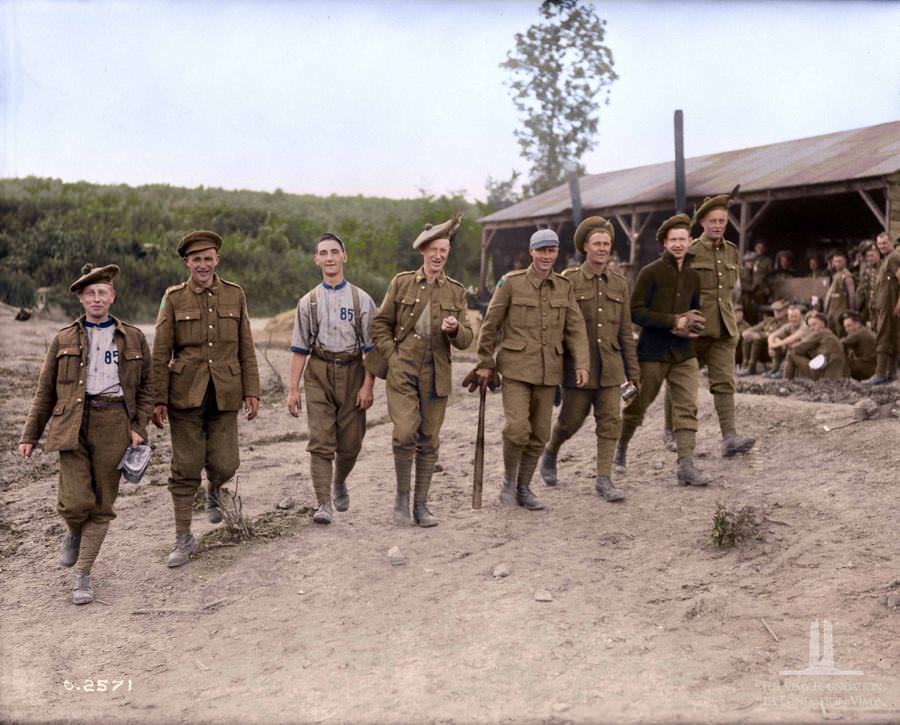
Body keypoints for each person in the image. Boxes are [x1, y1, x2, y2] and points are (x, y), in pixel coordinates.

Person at [19, 264, 152, 604]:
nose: (96, 298)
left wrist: (138, 427)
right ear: (80, 298)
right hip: (72, 422)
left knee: (103, 504)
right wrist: (29, 435)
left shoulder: (134, 337)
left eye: (102, 292)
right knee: (75, 501)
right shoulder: (63, 338)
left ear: (113, 297)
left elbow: (148, 387)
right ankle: (74, 530)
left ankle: (83, 574)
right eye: (90, 293)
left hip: (115, 423)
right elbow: (45, 391)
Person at [151, 230, 260, 567]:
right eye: (196, 259)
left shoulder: (235, 295)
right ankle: (183, 539)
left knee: (226, 463)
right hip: (185, 395)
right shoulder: (173, 298)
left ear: (217, 260)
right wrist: (158, 399)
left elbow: (246, 346)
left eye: (207, 258)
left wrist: (252, 390)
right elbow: (159, 353)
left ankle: (214, 490)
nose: (202, 264)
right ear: (187, 262)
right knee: (185, 468)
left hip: (225, 392)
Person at [476, 228, 589, 511]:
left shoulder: (563, 287)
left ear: (556, 254)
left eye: (551, 251)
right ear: (531, 252)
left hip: (549, 370)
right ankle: (508, 482)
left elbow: (575, 329)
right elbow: (490, 325)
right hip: (515, 369)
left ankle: (524, 487)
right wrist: (485, 362)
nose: (546, 256)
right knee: (516, 430)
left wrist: (582, 363)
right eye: (541, 250)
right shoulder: (510, 283)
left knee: (540, 434)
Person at [371, 213, 473, 527]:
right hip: (403, 371)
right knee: (404, 434)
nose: (438, 255)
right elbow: (379, 324)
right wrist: (394, 355)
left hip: (436, 374)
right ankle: (402, 498)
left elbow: (468, 340)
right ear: (423, 252)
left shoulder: (456, 292)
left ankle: (421, 505)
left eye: (444, 250)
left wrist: (455, 330)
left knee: (429, 439)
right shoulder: (401, 282)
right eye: (433, 250)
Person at [539, 217, 640, 502]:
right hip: (578, 369)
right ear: (586, 247)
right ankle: (551, 451)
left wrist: (633, 372)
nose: (602, 249)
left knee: (610, 421)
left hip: (610, 368)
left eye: (606, 244)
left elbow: (625, 331)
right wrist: (558, 370)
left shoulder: (619, 284)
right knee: (570, 421)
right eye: (597, 244)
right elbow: (558, 327)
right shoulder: (568, 280)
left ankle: (603, 479)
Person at [614, 214, 711, 487]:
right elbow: (635, 311)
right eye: (673, 240)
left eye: (683, 239)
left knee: (687, 406)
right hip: (652, 352)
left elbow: (695, 309)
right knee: (636, 405)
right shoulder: (650, 273)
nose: (679, 244)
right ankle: (620, 448)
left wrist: (693, 325)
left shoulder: (693, 276)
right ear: (664, 243)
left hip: (683, 353)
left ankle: (686, 464)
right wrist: (672, 321)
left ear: (691, 241)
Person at [286, 233, 376, 525]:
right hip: (319, 372)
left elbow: (372, 350)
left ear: (344, 256)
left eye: (334, 252)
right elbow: (300, 349)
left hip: (353, 371)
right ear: (316, 260)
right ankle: (323, 502)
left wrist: (367, 385)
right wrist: (292, 390)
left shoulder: (361, 300)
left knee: (351, 443)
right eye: (323, 253)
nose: (329, 258)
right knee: (321, 440)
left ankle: (340, 481)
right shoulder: (308, 302)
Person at [688, 195, 755, 457]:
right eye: (713, 221)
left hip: (724, 328)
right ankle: (673, 432)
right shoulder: (691, 250)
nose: (718, 225)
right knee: (683, 383)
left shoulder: (731, 251)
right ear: (702, 223)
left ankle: (729, 437)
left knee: (725, 382)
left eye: (722, 221)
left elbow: (728, 291)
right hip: (695, 328)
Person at [864, 231, 900, 384]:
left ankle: (879, 374)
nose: (882, 246)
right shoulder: (887, 259)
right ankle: (891, 374)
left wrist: (899, 303)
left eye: (885, 243)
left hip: (890, 305)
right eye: (879, 244)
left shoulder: (894, 257)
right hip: (885, 305)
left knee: (884, 337)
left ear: (891, 242)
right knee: (892, 338)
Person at [783, 311, 846, 380]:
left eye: (814, 324)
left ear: (823, 324)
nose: (812, 328)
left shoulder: (820, 333)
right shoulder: (830, 334)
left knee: (791, 354)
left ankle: (785, 381)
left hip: (824, 375)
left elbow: (798, 349)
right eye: (810, 326)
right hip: (838, 375)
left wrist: (792, 345)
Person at [738, 299, 787, 376]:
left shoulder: (786, 323)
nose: (776, 312)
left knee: (757, 339)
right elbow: (756, 327)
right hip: (760, 350)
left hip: (773, 350)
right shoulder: (769, 320)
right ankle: (745, 365)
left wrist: (760, 335)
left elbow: (779, 335)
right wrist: (748, 332)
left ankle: (751, 367)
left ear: (785, 311)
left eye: (779, 311)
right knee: (748, 338)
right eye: (775, 310)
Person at [765, 304, 806, 378]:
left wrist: (779, 343)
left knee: (793, 344)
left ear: (801, 316)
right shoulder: (789, 326)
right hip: (794, 349)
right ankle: (775, 369)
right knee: (776, 340)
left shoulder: (804, 326)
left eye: (795, 316)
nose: (793, 319)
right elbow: (772, 335)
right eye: (791, 316)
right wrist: (770, 346)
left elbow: (792, 338)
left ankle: (782, 371)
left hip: (807, 352)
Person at [824, 250, 856, 336]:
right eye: (835, 261)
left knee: (841, 335)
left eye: (840, 261)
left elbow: (852, 295)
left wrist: (850, 313)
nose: (837, 264)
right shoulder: (835, 275)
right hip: (832, 312)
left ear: (845, 261)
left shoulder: (847, 276)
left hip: (841, 312)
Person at [841, 312, 877, 380]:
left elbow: (838, 344)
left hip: (866, 370)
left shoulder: (858, 333)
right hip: (872, 368)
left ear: (857, 324)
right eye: (845, 327)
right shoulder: (866, 330)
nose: (846, 329)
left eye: (849, 326)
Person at [856, 242, 881, 327]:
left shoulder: (884, 267)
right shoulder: (866, 270)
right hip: (870, 306)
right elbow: (861, 291)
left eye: (872, 255)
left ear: (878, 254)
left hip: (882, 306)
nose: (869, 258)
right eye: (867, 256)